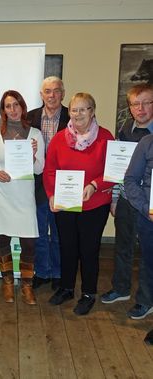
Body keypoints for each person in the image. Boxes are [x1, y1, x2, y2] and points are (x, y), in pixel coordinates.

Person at [43, 92, 114, 315]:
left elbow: (113, 172)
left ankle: (88, 293)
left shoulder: (105, 137)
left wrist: (94, 184)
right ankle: (66, 288)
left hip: (94, 204)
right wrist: (52, 194)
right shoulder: (59, 138)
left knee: (89, 250)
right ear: (69, 112)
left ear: (92, 111)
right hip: (66, 204)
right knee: (67, 246)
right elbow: (50, 171)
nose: (78, 114)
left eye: (84, 109)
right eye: (74, 110)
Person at [0, 90, 44, 305]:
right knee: (3, 240)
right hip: (2, 194)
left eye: (16, 105)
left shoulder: (35, 134)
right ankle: (8, 283)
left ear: (23, 107)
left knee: (29, 243)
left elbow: (40, 169)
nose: (13, 109)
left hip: (24, 194)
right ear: (3, 110)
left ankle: (27, 286)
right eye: (8, 106)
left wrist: (34, 155)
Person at [101, 83, 153, 320]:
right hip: (125, 198)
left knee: (147, 254)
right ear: (130, 108)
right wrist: (114, 198)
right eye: (135, 104)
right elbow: (116, 170)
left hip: (149, 203)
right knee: (122, 246)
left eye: (146, 102)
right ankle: (121, 289)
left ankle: (144, 300)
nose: (140, 109)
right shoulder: (124, 130)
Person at [27, 76, 69, 291]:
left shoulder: (74, 116)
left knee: (60, 231)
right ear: (41, 94)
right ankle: (41, 272)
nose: (51, 95)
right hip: (36, 183)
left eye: (56, 91)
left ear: (63, 93)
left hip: (64, 183)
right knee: (40, 231)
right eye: (47, 91)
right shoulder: (30, 117)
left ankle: (59, 273)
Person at [124, 133, 153, 343]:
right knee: (150, 267)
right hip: (149, 218)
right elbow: (131, 180)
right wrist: (145, 208)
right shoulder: (147, 142)